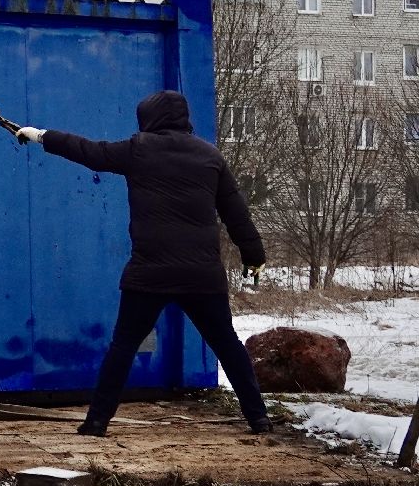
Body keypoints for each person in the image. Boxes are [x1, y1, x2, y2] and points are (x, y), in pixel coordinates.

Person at [16, 89, 271, 436]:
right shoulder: (211, 157)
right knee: (227, 343)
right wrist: (253, 257)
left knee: (123, 347)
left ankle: (96, 423)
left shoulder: (139, 149)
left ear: (149, 119)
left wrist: (42, 136)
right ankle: (259, 418)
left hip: (149, 273)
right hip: (201, 275)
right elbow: (236, 213)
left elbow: (90, 152)